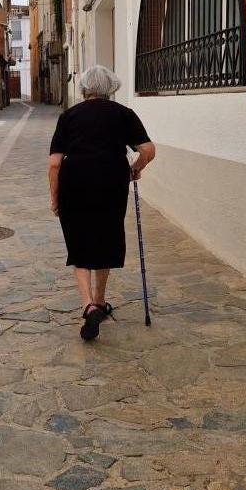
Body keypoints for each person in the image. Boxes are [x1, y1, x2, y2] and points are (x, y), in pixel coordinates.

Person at [48, 65, 156, 341]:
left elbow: (54, 164)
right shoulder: (123, 114)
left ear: (84, 89)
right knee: (106, 237)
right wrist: (135, 168)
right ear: (111, 88)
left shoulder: (69, 116)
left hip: (75, 183)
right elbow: (147, 149)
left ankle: (88, 306)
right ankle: (99, 300)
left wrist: (55, 197)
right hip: (111, 183)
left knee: (79, 242)